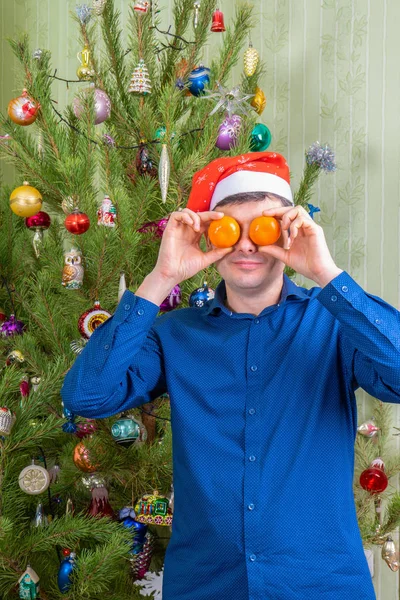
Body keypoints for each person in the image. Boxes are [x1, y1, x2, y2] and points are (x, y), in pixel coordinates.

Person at [61, 152, 400, 600]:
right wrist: (160, 279)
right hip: (205, 586)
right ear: (209, 239)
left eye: (262, 229)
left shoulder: (334, 323)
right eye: (229, 229)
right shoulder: (174, 334)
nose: (245, 246)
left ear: (288, 233)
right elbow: (87, 396)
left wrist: (324, 273)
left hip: (323, 585)